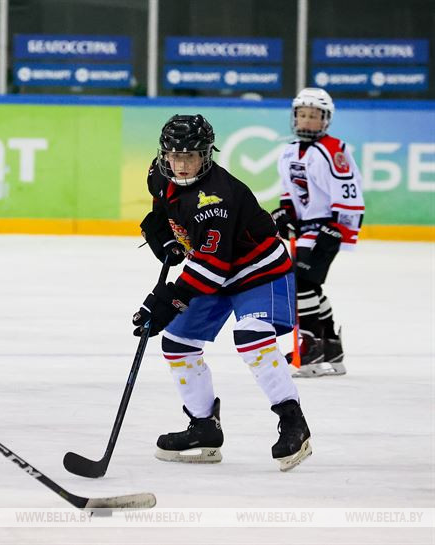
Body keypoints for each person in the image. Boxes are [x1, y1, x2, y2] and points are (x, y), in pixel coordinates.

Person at [135, 114, 311, 472]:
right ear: (164, 154)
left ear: (206, 155)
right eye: (174, 156)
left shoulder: (215, 199)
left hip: (259, 271)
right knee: (177, 343)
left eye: (191, 156)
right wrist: (165, 235)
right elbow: (164, 206)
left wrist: (169, 301)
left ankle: (293, 421)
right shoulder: (158, 173)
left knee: (252, 337)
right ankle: (203, 427)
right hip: (215, 270)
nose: (181, 165)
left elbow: (212, 269)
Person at [273, 87, 364, 377]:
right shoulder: (289, 151)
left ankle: (311, 348)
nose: (307, 120)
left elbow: (348, 190)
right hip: (304, 229)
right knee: (309, 285)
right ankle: (331, 346)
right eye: (302, 114)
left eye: (314, 115)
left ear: (325, 119)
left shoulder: (334, 149)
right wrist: (285, 213)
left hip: (327, 227)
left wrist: (337, 228)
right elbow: (290, 192)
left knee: (301, 283)